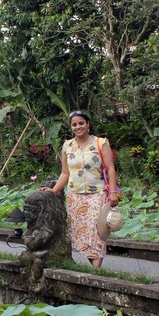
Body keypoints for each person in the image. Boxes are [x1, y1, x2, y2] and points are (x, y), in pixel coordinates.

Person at [41, 110, 119, 268]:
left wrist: (113, 193)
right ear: (71, 127)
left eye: (81, 123)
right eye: (74, 124)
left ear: (88, 124)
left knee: (97, 235)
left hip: (97, 195)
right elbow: (65, 173)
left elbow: (110, 168)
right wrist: (54, 191)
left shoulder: (101, 143)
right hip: (74, 197)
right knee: (80, 236)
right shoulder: (67, 146)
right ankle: (94, 269)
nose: (78, 127)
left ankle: (96, 271)